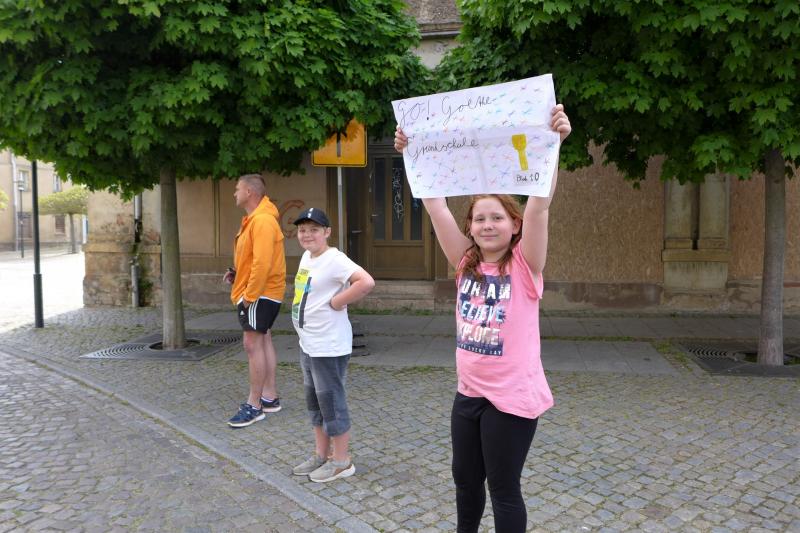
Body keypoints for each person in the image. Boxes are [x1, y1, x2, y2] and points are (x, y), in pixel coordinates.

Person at [394, 104, 571, 532]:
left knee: (503, 488)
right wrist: (412, 151)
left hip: (511, 399)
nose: (487, 225)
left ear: (514, 225)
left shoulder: (525, 265)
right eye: (479, 219)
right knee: (465, 481)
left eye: (497, 218)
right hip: (469, 393)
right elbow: (435, 207)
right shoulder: (465, 262)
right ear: (470, 227)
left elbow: (539, 207)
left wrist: (554, 145)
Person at [289, 207, 375, 483]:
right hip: (308, 343)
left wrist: (338, 302)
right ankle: (321, 454)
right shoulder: (307, 257)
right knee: (315, 403)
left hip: (328, 346)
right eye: (302, 230)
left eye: (314, 230)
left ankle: (341, 461)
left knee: (331, 403)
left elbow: (366, 282)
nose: (307, 235)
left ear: (327, 232)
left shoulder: (335, 259)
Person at [223, 173, 286, 428]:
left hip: (260, 293)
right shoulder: (257, 219)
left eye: (237, 189)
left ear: (249, 192)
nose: (235, 193)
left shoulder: (261, 220)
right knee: (263, 340)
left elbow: (262, 263)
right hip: (263, 291)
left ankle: (254, 405)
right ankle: (269, 397)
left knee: (252, 344)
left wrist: (249, 296)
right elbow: (252, 259)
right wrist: (237, 273)